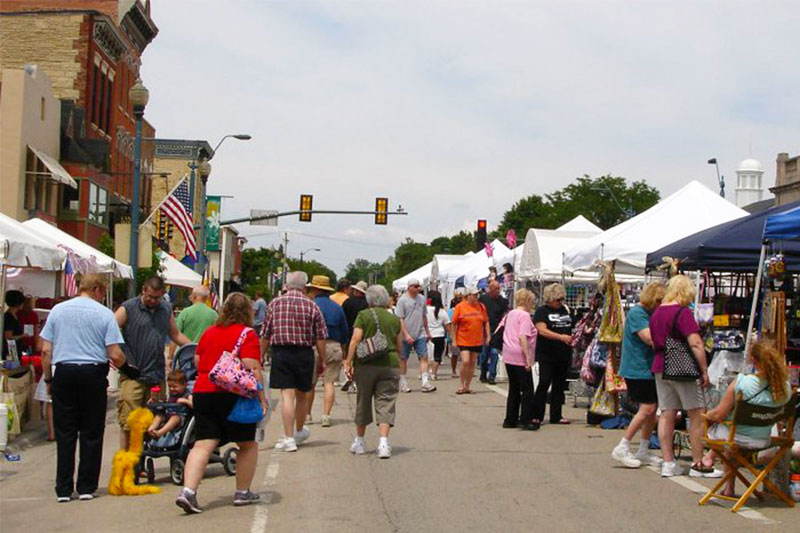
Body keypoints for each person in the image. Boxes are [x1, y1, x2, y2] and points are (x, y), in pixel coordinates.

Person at [176, 293, 267, 513]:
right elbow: (252, 366)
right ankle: (242, 492)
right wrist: (262, 398)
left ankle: (188, 491)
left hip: (204, 391)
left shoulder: (209, 332)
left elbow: (197, 360)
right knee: (246, 444)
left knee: (203, 443)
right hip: (233, 394)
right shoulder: (247, 334)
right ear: (248, 312)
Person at [39, 274, 127, 502]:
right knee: (91, 431)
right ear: (97, 289)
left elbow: (46, 351)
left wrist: (49, 379)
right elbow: (115, 354)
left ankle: (64, 488)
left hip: (65, 371)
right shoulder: (104, 314)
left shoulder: (58, 311)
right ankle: (87, 486)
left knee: (65, 432)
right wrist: (128, 367)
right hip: (92, 372)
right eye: (103, 291)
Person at [704, 339, 792, 495]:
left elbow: (719, 414)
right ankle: (721, 476)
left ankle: (725, 483)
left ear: (753, 359)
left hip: (739, 438)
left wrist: (705, 414)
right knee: (732, 432)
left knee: (723, 430)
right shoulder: (785, 387)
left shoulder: (742, 382)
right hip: (764, 439)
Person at [115, 277, 191, 448]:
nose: (153, 301)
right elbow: (109, 330)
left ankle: (141, 459)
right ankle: (128, 463)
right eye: (150, 296)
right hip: (133, 374)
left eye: (157, 297)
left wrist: (195, 349)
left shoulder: (165, 308)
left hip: (155, 375)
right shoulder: (128, 308)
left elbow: (175, 334)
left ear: (163, 294)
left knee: (151, 420)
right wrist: (120, 357)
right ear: (143, 290)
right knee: (129, 422)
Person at [649, 274, 713, 478]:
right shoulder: (682, 312)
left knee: (667, 413)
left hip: (660, 365)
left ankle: (668, 462)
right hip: (682, 368)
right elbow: (695, 343)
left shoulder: (657, 313)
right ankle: (698, 462)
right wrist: (704, 370)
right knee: (696, 413)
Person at [262, 271, 327, 452]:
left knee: (287, 395)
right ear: (305, 287)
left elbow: (266, 333)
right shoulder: (312, 306)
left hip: (282, 353)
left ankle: (288, 437)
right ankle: (298, 431)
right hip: (304, 353)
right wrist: (322, 360)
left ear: (287, 286)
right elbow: (320, 337)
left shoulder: (275, 304)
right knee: (302, 394)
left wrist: (260, 354)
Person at [343, 285, 403, 458]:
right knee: (386, 402)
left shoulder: (364, 315)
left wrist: (348, 362)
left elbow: (355, 339)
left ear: (369, 299)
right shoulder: (394, 319)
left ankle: (360, 441)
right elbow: (399, 346)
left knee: (363, 400)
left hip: (365, 365)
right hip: (389, 364)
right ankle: (383, 443)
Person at [611, 282, 667, 468]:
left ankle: (643, 449)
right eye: (660, 300)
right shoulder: (638, 313)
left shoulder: (651, 313)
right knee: (648, 408)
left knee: (652, 408)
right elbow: (649, 338)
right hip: (637, 369)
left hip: (649, 369)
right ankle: (623, 445)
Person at [306, 275, 348, 427]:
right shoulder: (336, 307)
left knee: (310, 383)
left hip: (313, 346)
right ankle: (326, 415)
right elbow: (345, 331)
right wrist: (343, 349)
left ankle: (308, 415)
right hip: (333, 345)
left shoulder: (310, 305)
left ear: (315, 289)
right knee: (329, 382)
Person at [531, 283, 573, 429]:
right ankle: (536, 415)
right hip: (547, 354)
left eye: (562, 299)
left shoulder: (564, 310)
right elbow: (541, 330)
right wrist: (561, 337)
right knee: (544, 383)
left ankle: (556, 414)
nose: (560, 302)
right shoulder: (542, 311)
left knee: (559, 385)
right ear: (550, 299)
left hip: (563, 353)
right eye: (557, 300)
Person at [501, 288, 538, 430]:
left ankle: (510, 419)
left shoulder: (510, 314)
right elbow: (523, 336)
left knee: (514, 388)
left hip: (508, 353)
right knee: (527, 389)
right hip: (519, 355)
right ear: (528, 301)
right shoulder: (524, 316)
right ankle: (526, 418)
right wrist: (528, 358)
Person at [394, 278, 435, 393]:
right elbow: (400, 319)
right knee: (403, 358)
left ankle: (425, 382)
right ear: (410, 287)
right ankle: (403, 382)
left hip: (420, 332)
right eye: (416, 286)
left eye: (419, 286)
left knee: (424, 356)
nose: (418, 288)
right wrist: (406, 334)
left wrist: (427, 331)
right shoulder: (402, 300)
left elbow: (424, 316)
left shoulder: (421, 299)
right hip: (405, 333)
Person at [451, 286, 489, 395]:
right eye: (474, 295)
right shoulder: (460, 307)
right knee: (465, 361)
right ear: (468, 296)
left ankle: (467, 386)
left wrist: (488, 336)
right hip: (463, 339)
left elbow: (485, 321)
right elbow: (454, 324)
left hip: (476, 339)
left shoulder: (481, 307)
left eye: (477, 295)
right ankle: (461, 384)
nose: (476, 297)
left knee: (472, 362)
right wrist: (454, 339)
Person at [147, 369, 193, 445]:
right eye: (170, 387)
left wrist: (185, 401)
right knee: (159, 416)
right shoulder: (171, 395)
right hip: (168, 414)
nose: (172, 389)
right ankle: (151, 430)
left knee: (174, 418)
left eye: (175, 387)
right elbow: (166, 403)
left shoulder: (187, 395)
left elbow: (193, 405)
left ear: (184, 385)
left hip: (181, 418)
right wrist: (155, 401)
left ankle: (159, 433)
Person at [341, 281, 369, 392]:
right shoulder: (367, 304)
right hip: (364, 334)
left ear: (356, 291)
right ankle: (359, 381)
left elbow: (343, 319)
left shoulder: (347, 302)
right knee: (362, 358)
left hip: (349, 333)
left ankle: (349, 377)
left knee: (349, 357)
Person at [479, 280, 508, 385]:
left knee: (494, 354)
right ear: (490, 289)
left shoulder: (503, 301)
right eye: (495, 289)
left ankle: (492, 376)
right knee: (484, 355)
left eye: (498, 289)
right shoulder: (483, 299)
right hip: (484, 331)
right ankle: (483, 373)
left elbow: (505, 315)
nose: (497, 291)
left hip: (496, 331)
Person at [425, 290, 451, 381]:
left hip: (428, 335)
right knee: (437, 356)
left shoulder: (426, 310)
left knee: (427, 355)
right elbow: (447, 325)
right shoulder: (442, 312)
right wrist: (451, 336)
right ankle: (434, 373)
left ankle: (426, 372)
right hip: (439, 335)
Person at [3, 289, 26, 359]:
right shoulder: (8, 318)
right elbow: (8, 337)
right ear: (17, 303)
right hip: (10, 351)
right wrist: (22, 336)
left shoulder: (15, 316)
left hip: (15, 350)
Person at [448, 289, 464, 378]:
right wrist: (451, 335)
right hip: (455, 334)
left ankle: (463, 370)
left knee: (463, 354)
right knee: (455, 354)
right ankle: (453, 370)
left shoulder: (464, 309)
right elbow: (450, 323)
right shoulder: (451, 311)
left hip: (463, 334)